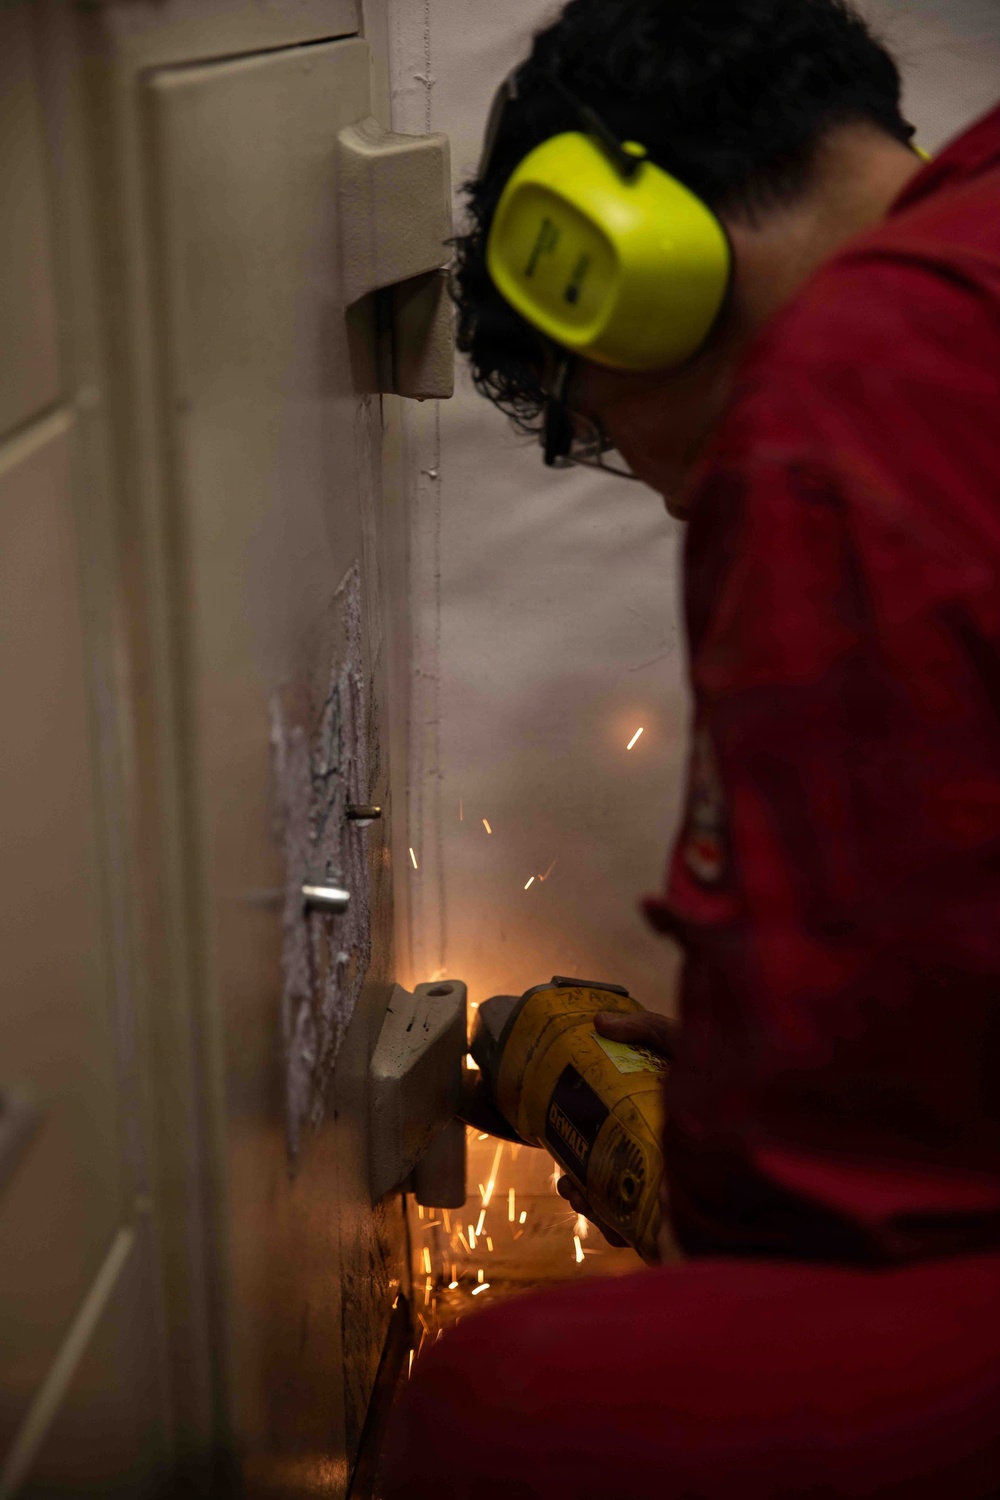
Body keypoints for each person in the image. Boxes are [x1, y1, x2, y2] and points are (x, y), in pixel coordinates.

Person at [382, 1, 1000, 1494]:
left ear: (627, 269)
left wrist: (672, 1154)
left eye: (599, 419)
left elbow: (833, 1211)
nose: (656, 488)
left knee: (493, 1415)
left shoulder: (843, 402)